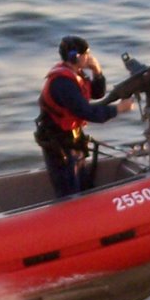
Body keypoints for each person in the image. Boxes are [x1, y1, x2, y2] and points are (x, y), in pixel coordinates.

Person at [35, 35, 135, 196]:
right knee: (69, 191)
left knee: (83, 185)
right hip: (59, 144)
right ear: (76, 57)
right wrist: (118, 109)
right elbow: (88, 112)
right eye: (86, 54)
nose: (90, 57)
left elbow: (96, 93)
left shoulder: (75, 74)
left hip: (72, 141)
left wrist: (97, 72)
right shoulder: (63, 83)